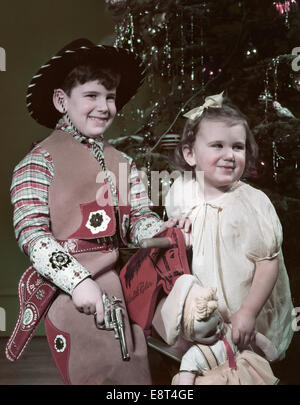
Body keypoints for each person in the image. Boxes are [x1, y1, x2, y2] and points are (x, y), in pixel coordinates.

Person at [9, 38, 167, 385]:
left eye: (110, 97)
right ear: (61, 100)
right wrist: (78, 282)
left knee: (178, 346)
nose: (104, 106)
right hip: (69, 289)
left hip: (124, 279)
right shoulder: (37, 163)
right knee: (111, 367)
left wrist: (161, 233)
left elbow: (139, 217)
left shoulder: (123, 162)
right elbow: (33, 236)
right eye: (92, 95)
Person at [165, 92, 294, 361]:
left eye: (238, 147)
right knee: (209, 363)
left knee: (247, 364)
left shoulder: (251, 203)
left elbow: (267, 263)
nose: (229, 155)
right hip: (208, 308)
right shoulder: (184, 192)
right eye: (217, 146)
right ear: (190, 154)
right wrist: (177, 227)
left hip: (246, 306)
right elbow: (180, 234)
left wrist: (249, 311)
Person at [160, 274, 279, 385]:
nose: (218, 331)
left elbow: (253, 336)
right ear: (190, 337)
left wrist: (269, 350)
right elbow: (186, 377)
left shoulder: (229, 330)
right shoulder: (193, 355)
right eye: (209, 333)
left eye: (219, 323)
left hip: (244, 373)